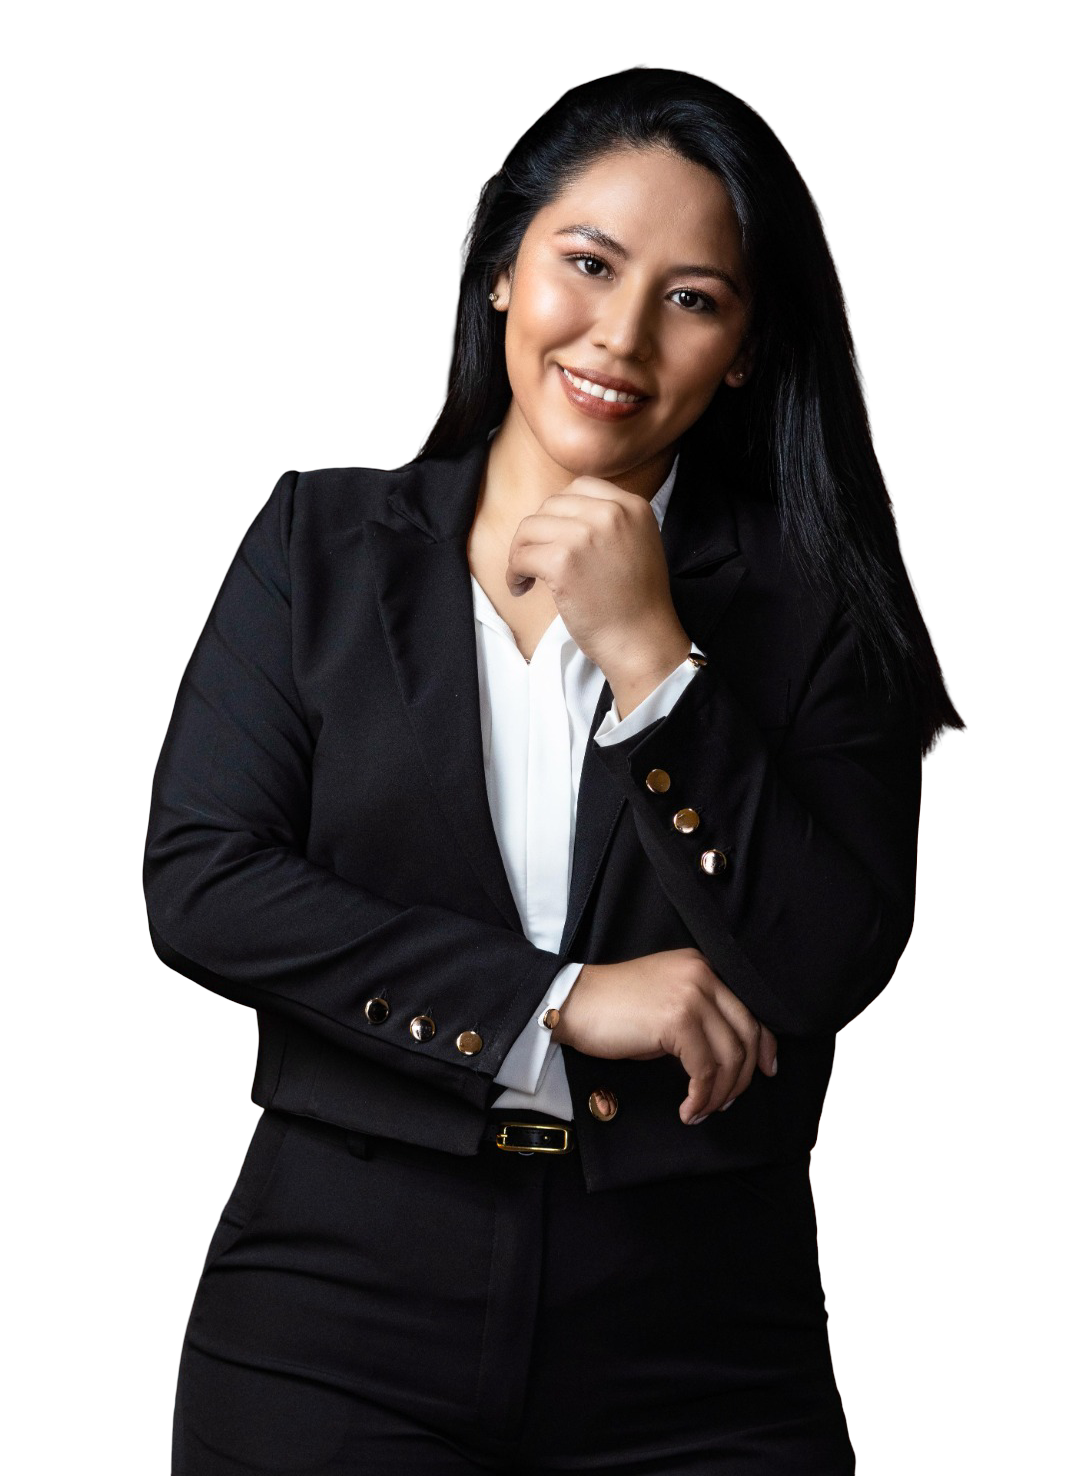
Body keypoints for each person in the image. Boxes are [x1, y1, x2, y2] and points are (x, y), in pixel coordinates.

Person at [147, 67, 965, 1475]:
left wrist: (655, 660)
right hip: (334, 1307)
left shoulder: (813, 607)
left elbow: (827, 961)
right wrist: (559, 1000)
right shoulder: (318, 541)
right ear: (500, 272)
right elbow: (204, 885)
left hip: (700, 1339)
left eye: (692, 298)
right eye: (587, 263)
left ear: (746, 350)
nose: (622, 335)